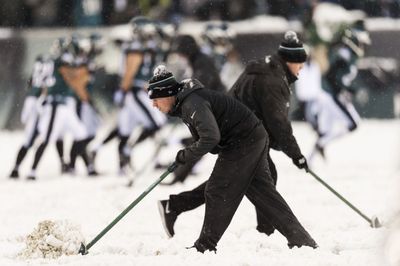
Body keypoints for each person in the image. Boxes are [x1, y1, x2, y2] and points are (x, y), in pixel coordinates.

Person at [157, 31, 316, 247]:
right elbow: (278, 124)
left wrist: (294, 154)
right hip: (241, 134)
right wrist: (295, 154)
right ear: (290, 61)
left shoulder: (266, 72)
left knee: (229, 184)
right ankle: (292, 237)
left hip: (243, 135)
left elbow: (274, 124)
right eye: (300, 63)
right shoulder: (272, 80)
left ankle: (199, 233)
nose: (301, 68)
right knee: (239, 185)